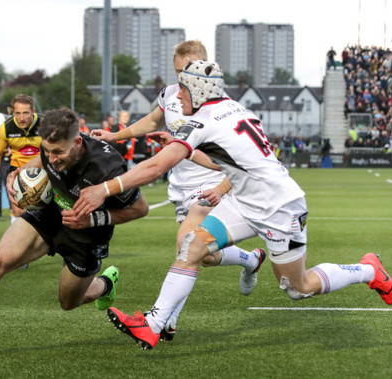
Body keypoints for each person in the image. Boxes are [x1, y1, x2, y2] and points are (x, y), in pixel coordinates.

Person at [75, 60, 392, 350]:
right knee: (192, 247)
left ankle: (369, 269)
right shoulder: (234, 108)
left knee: (299, 288)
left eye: (183, 91)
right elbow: (223, 162)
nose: (178, 99)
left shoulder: (202, 120)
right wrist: (182, 149)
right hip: (245, 201)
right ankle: (154, 324)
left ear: (198, 91)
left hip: (279, 207)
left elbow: (157, 167)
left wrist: (105, 189)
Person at [0, 107, 149, 362]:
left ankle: (105, 285)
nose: (52, 158)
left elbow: (140, 208)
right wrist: (17, 174)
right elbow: (42, 159)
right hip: (49, 214)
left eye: (59, 152)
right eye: (47, 150)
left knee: (68, 301)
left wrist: (94, 218)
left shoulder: (108, 167)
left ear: (78, 142)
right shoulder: (50, 151)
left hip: (87, 236)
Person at [91, 40, 265, 341]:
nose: (180, 78)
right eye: (176, 71)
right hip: (181, 187)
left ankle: (163, 321)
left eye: (185, 71)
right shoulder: (170, 94)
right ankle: (251, 260)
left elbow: (240, 159)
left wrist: (224, 187)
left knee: (186, 244)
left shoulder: (218, 104)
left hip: (210, 184)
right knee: (203, 255)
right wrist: (115, 135)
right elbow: (151, 121)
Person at [0, 94, 42, 224]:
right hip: (17, 171)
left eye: (25, 113)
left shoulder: (45, 125)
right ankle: (17, 240)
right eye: (17, 113)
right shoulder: (6, 128)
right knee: (18, 209)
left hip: (42, 170)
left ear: (33, 111)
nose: (21, 118)